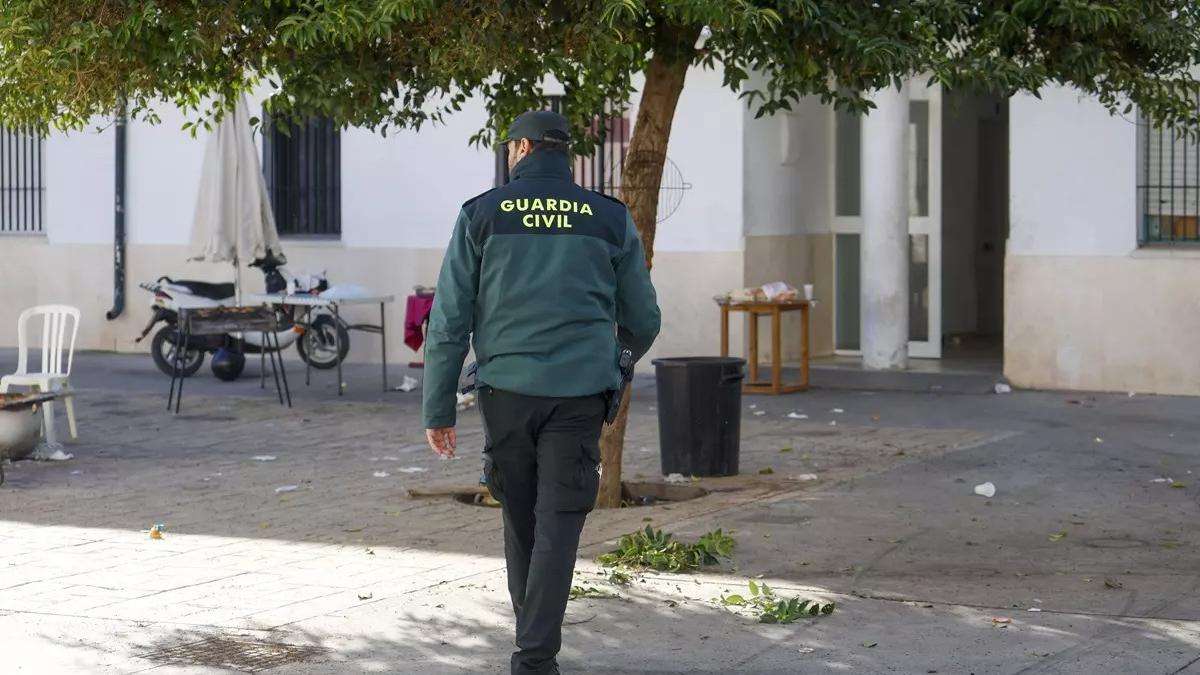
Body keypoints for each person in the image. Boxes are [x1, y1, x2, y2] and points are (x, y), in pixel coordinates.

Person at [422, 109, 661, 675]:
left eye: (509, 149)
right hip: (580, 396)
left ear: (523, 148)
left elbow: (450, 320)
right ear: (565, 154)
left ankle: (533, 652)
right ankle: (535, 656)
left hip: (506, 392)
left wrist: (437, 408)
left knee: (521, 517)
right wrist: (617, 361)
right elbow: (644, 318)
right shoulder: (608, 217)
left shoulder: (481, 213)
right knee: (559, 521)